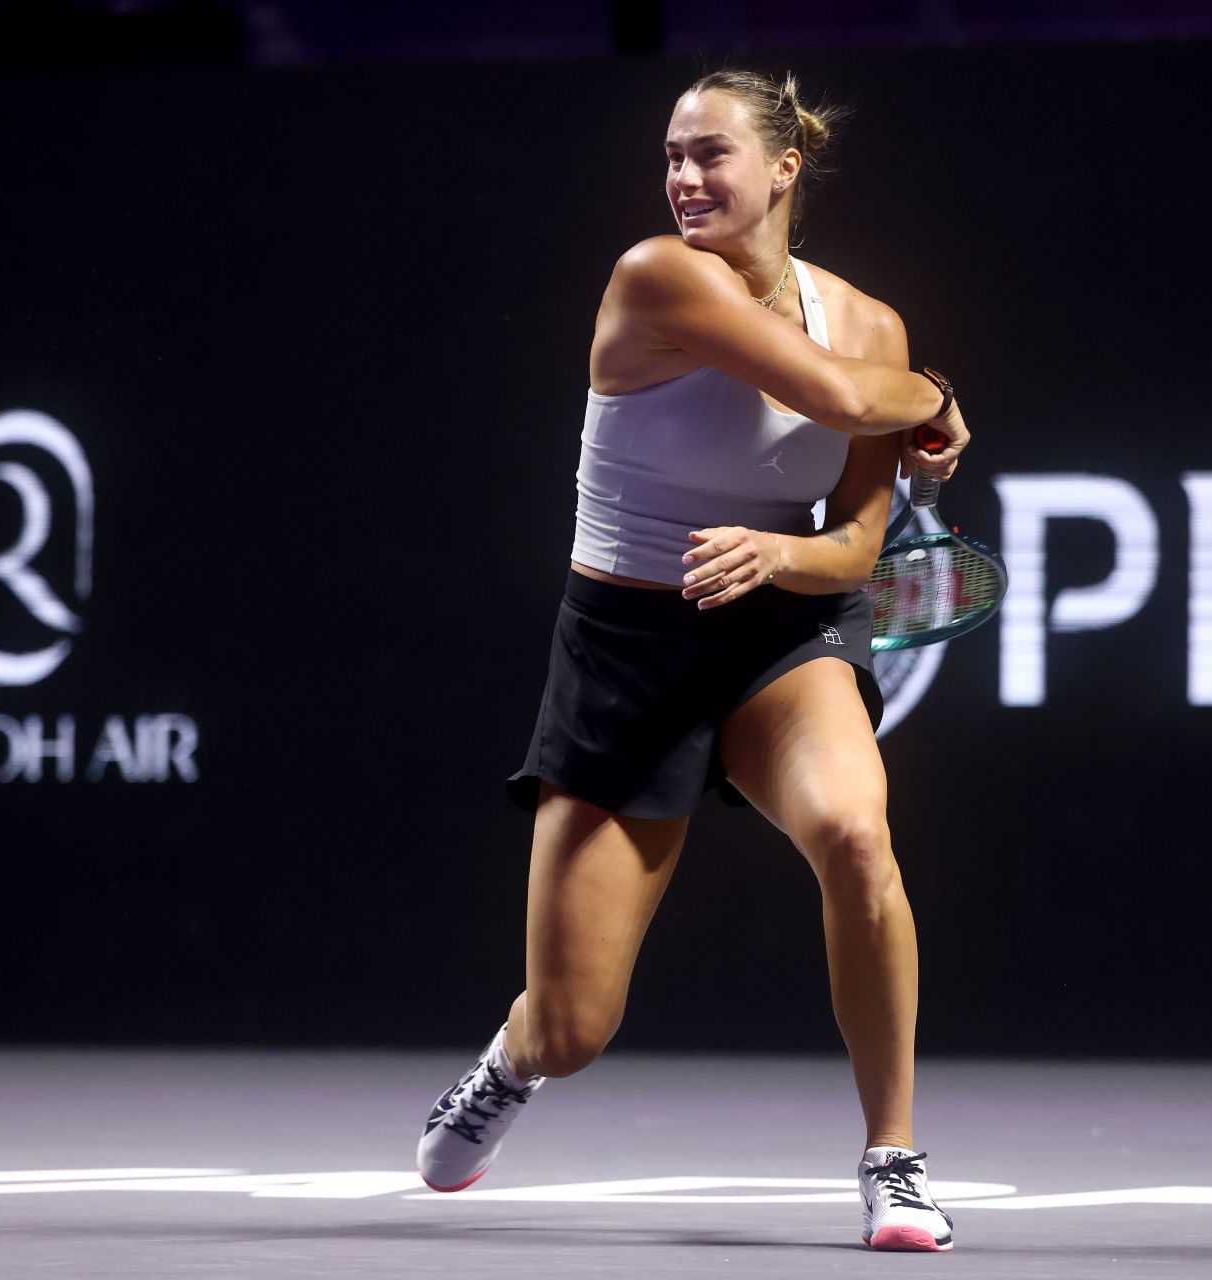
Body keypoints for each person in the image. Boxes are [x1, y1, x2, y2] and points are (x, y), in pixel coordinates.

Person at [415, 68, 973, 1253]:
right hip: (625, 650)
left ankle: (895, 1155)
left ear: (783, 168)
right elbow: (823, 390)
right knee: (574, 1023)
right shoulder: (656, 277)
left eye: (710, 154)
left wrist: (781, 557)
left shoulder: (871, 323)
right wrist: (934, 398)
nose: (683, 178)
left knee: (857, 834)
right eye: (672, 155)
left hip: (781, 639)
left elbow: (863, 545)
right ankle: (514, 1060)